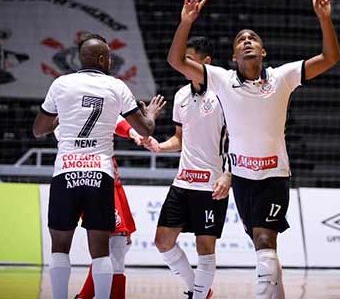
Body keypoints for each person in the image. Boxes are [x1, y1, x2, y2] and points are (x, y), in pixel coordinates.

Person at [166, 0, 340, 299]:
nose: (247, 41)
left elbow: (330, 58)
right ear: (234, 56)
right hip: (242, 179)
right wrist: (186, 22)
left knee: (264, 241)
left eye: (253, 39)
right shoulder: (220, 78)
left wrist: (324, 19)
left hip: (274, 176)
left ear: (263, 52)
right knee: (262, 248)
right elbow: (176, 60)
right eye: (241, 40)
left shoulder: (283, 76)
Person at [32, 33, 166, 299]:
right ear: (104, 59)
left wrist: (63, 116)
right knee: (102, 250)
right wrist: (150, 115)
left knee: (59, 247)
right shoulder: (116, 86)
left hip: (66, 172)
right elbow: (145, 128)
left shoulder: (61, 84)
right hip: (100, 174)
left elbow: (38, 130)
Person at [142, 36, 231, 299]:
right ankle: (200, 291)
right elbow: (180, 140)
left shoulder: (225, 94)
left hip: (211, 183)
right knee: (162, 241)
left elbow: (239, 139)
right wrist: (159, 146)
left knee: (205, 246)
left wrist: (228, 175)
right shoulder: (181, 94)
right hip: (182, 182)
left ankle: (199, 295)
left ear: (206, 62)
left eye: (189, 59)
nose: (183, 64)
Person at [74, 116, 143, 299]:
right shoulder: (70, 115)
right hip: (92, 181)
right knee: (111, 246)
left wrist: (134, 132)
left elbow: (115, 119)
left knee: (118, 247)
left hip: (112, 184)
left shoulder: (100, 103)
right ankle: (84, 296)